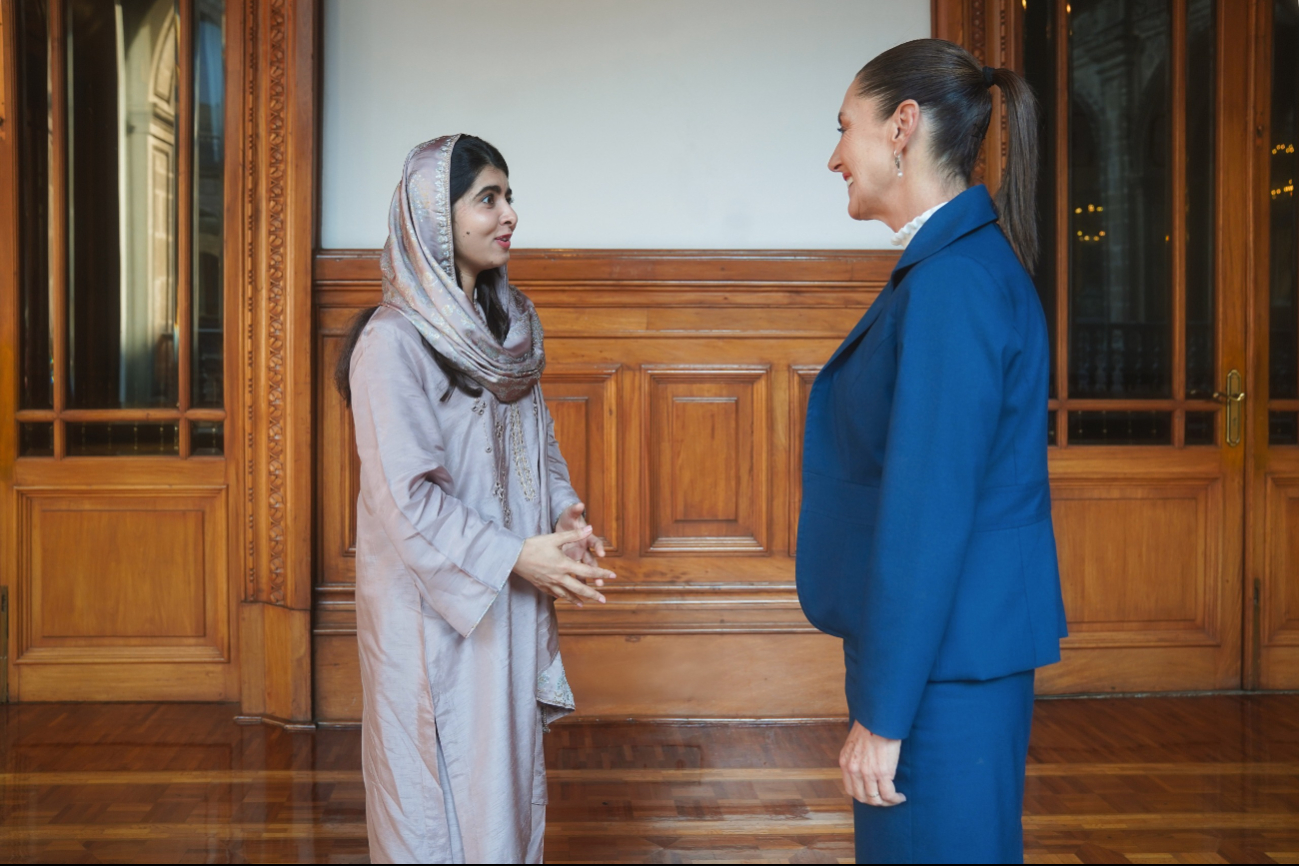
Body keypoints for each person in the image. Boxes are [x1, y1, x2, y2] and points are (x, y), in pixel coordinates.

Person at [794, 39, 1068, 864]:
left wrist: (882, 715)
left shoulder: (952, 283)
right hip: (948, 661)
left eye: (846, 128)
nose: (835, 155)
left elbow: (927, 513)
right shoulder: (958, 267)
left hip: (940, 673)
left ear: (901, 126)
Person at [336, 134, 615, 863]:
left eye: (508, 195)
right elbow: (406, 501)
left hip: (510, 595)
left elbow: (540, 444)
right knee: (436, 802)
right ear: (435, 215)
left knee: (507, 793)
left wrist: (562, 516)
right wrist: (518, 556)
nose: (509, 214)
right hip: (436, 617)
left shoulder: (511, 327)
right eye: (487, 198)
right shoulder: (391, 345)